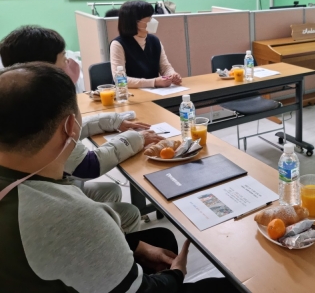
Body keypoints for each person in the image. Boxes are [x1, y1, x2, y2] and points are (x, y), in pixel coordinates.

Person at [0, 62, 237, 292]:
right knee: (228, 286)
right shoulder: (69, 215)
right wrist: (176, 274)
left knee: (160, 237)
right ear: (70, 126)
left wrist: (135, 246)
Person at [0, 25, 165, 233]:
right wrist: (137, 138)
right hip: (46, 199)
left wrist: (112, 121)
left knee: (111, 190)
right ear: (44, 66)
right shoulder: (42, 108)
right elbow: (88, 166)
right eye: (63, 57)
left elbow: (71, 128)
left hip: (45, 189)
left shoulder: (17, 99)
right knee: (128, 213)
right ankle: (126, 245)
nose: (69, 62)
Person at [110, 1, 182, 89]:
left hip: (155, 92)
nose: (152, 20)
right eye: (148, 17)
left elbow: (165, 67)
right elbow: (119, 80)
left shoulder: (154, 40)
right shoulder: (118, 44)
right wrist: (154, 82)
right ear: (134, 21)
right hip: (131, 94)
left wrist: (172, 75)